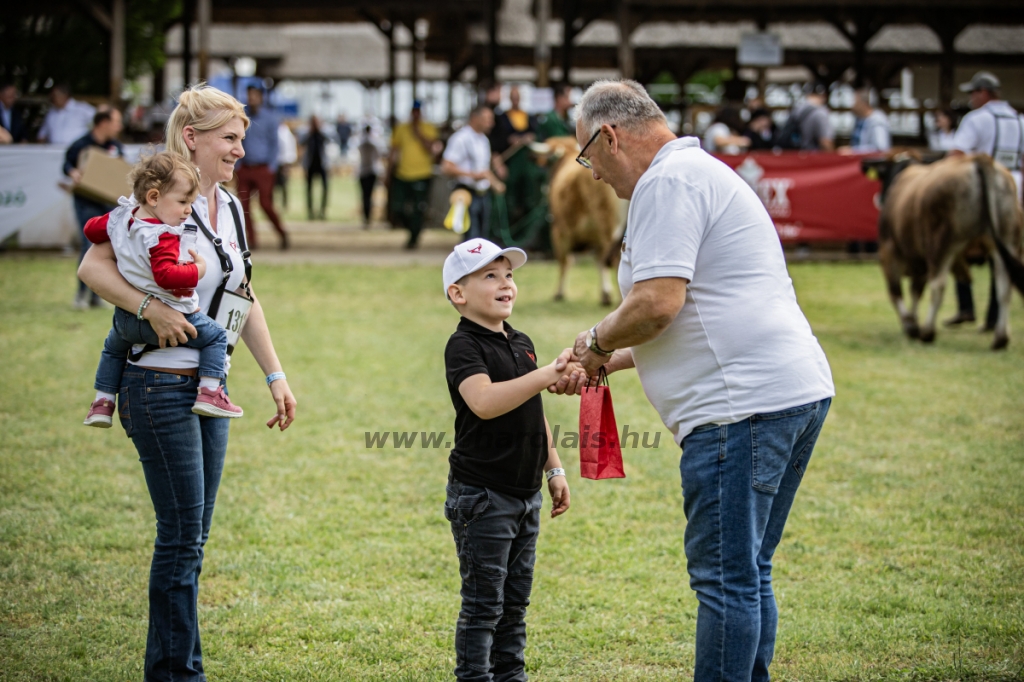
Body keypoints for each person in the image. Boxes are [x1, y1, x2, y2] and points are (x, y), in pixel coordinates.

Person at [553, 80, 835, 682]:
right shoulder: (698, 171)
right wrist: (608, 360)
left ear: (610, 136)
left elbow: (658, 303)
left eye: (586, 156)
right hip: (788, 392)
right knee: (749, 570)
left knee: (726, 580)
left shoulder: (667, 182)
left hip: (741, 410)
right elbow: (692, 316)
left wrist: (594, 342)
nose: (592, 175)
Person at [78, 83, 297, 681]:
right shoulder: (154, 199)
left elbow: (242, 297)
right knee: (180, 540)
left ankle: (179, 668)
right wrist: (150, 308)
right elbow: (91, 265)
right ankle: (176, 674)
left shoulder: (232, 207)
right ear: (192, 139)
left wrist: (274, 373)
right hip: (155, 387)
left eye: (242, 139)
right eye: (229, 139)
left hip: (210, 387)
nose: (238, 149)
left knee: (192, 541)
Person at [441, 237, 572, 681]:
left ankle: (511, 676)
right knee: (483, 605)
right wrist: (545, 374)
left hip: (524, 495)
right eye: (490, 276)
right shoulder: (463, 347)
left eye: (509, 275)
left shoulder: (522, 342)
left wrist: (552, 467)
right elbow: (484, 401)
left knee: (514, 605)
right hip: (482, 495)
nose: (506, 284)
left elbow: (534, 410)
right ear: (458, 293)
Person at [82, 152, 242, 428]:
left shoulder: (121, 217)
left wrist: (112, 223)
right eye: (183, 202)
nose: (188, 210)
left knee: (112, 348)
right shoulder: (163, 235)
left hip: (127, 318)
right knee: (216, 336)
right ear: (154, 197)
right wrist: (198, 270)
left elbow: (90, 230)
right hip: (173, 316)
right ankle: (210, 391)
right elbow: (168, 276)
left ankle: (103, 401)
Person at [944, 71, 1024, 329]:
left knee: (953, 243)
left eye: (973, 93)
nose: (971, 98)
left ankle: (966, 306)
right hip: (1013, 187)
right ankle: (994, 316)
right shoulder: (1020, 121)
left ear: (984, 93)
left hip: (978, 188)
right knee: (1003, 251)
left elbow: (956, 155)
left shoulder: (976, 119)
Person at [65, 108, 124, 309]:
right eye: (116, 121)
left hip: (108, 203)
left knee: (108, 248)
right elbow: (67, 164)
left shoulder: (115, 146)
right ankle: (81, 294)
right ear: (103, 123)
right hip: (85, 201)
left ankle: (97, 296)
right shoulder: (82, 144)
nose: (119, 126)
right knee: (88, 244)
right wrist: (73, 172)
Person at [441, 106, 505, 241]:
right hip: (467, 193)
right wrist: (473, 175)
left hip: (483, 194)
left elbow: (484, 170)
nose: (491, 123)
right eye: (488, 119)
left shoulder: (484, 140)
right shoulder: (460, 138)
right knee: (471, 239)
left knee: (483, 238)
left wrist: (496, 183)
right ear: (475, 118)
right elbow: (446, 167)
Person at [237, 86, 288, 249]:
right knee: (243, 206)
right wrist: (237, 165)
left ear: (261, 97)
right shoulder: (242, 116)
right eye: (249, 95)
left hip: (263, 167)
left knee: (265, 204)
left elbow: (275, 144)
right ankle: (251, 240)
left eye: (255, 95)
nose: (251, 98)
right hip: (245, 167)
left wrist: (271, 166)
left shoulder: (270, 118)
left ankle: (281, 232)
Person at [389, 101, 440, 249]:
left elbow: (433, 149)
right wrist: (388, 173)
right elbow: (394, 150)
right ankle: (410, 227)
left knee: (419, 208)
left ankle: (414, 236)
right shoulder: (401, 128)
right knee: (398, 207)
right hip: (402, 174)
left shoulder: (429, 128)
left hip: (422, 174)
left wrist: (419, 134)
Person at [490, 85, 539, 225]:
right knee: (509, 197)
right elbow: (496, 142)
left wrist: (530, 138)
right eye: (513, 96)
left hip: (527, 163)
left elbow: (537, 136)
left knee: (528, 196)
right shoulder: (501, 118)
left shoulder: (529, 117)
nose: (515, 99)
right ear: (510, 98)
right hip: (510, 162)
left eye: (518, 96)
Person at [778, 84, 834, 151]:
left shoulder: (797, 109)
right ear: (824, 95)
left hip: (795, 154)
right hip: (812, 156)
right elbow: (825, 142)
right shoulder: (820, 113)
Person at [844, 88, 891, 153]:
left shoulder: (877, 120)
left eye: (854, 102)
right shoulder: (860, 119)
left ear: (863, 104)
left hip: (873, 162)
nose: (852, 106)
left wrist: (853, 151)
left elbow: (880, 148)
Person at [303, 115, 330, 221]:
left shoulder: (322, 134)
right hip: (310, 165)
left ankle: (322, 211)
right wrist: (310, 132)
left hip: (322, 165)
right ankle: (310, 212)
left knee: (325, 189)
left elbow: (330, 139)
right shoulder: (308, 134)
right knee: (309, 190)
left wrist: (320, 130)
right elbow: (301, 142)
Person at [357, 125, 380, 226]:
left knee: (364, 196)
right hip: (371, 171)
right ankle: (368, 216)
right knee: (369, 195)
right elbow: (377, 156)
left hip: (363, 171)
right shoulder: (374, 143)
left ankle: (366, 217)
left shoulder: (360, 143)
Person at [275, 120, 298, 209]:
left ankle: (284, 204)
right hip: (278, 162)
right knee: (275, 185)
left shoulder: (284, 132)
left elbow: (288, 148)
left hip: (283, 162)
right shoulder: (282, 131)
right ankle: (276, 203)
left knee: (283, 184)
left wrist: (287, 163)